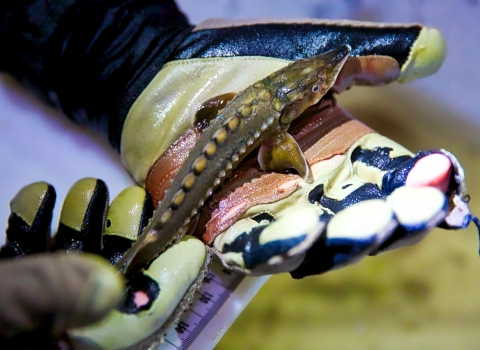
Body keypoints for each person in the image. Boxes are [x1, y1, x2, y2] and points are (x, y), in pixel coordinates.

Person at [0, 0, 474, 348]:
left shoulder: (261, 104)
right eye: (313, 85)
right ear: (290, 108)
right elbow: (270, 146)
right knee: (149, 249)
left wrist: (141, 58)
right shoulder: (279, 132)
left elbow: (211, 109)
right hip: (168, 202)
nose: (322, 81)